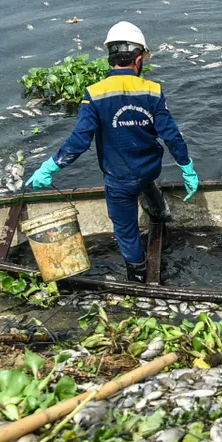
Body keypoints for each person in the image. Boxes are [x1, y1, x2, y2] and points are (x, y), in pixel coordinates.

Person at [26, 22, 199, 283]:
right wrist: (187, 168)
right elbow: (171, 135)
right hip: (150, 168)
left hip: (120, 180)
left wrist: (51, 166)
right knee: (144, 178)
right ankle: (160, 210)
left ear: (110, 59)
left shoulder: (94, 94)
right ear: (139, 59)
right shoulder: (153, 90)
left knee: (126, 230)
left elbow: (79, 142)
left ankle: (138, 275)